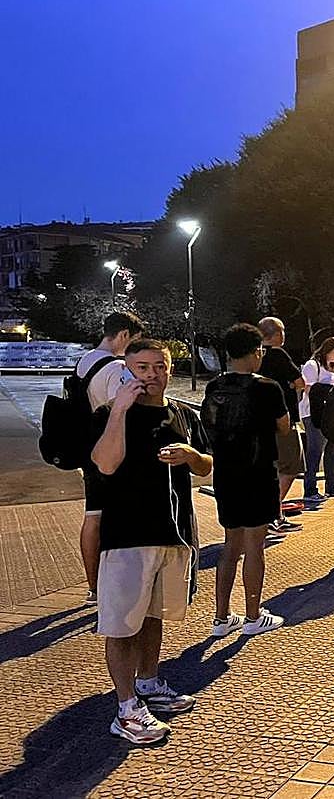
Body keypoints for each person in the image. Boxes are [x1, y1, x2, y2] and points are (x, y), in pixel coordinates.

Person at [90, 339, 211, 744]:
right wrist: (121, 408)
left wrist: (190, 455)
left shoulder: (181, 413)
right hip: (127, 536)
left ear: (170, 369)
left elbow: (207, 467)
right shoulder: (111, 413)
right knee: (122, 626)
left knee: (154, 616)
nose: (152, 375)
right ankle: (125, 710)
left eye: (159, 366)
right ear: (127, 371)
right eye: (141, 368)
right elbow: (105, 463)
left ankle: (149, 683)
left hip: (173, 533)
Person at [202, 324, 290, 639]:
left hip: (226, 474)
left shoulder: (214, 387)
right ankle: (253, 615)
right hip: (258, 472)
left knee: (230, 546)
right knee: (255, 547)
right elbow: (284, 427)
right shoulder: (267, 388)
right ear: (256, 352)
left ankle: (221, 617)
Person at [77, 310, 145, 605]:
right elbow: (125, 407)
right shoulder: (115, 367)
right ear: (124, 335)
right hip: (110, 450)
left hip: (86, 447)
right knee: (115, 517)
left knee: (92, 516)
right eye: (133, 341)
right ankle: (113, 585)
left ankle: (93, 586)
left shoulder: (84, 361)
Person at [256, 317, 304, 534]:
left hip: (259, 421)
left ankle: (274, 513)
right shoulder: (278, 355)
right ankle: (272, 513)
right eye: (282, 331)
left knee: (270, 469)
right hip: (282, 420)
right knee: (291, 464)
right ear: (275, 334)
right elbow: (299, 381)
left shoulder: (256, 355)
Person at [300, 336, 334, 503]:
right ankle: (310, 489)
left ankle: (331, 486)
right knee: (315, 451)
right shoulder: (313, 366)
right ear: (326, 351)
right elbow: (308, 389)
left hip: (332, 415)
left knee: (332, 451)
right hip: (314, 414)